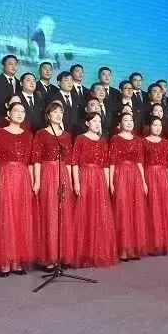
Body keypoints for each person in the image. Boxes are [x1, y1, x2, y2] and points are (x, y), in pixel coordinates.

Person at [0, 102, 36, 276]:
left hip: (23, 177)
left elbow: (30, 162)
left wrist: (32, 182)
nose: (20, 114)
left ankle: (17, 261)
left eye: (22, 111)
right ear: (8, 114)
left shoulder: (28, 135)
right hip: (6, 176)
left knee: (20, 218)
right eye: (16, 111)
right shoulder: (0, 133)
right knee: (6, 217)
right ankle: (4, 261)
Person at [32, 101, 76, 269]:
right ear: (48, 115)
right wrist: (37, 180)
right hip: (48, 173)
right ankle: (49, 256)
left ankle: (62, 255)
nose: (58, 114)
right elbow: (36, 159)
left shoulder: (66, 136)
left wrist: (70, 181)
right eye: (55, 112)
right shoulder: (41, 134)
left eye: (60, 112)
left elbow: (69, 161)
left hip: (62, 172)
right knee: (49, 212)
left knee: (63, 213)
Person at [71, 113, 118, 268]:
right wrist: (76, 182)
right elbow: (75, 162)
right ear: (87, 123)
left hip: (99, 178)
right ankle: (83, 253)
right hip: (85, 176)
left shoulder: (103, 141)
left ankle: (98, 252)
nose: (97, 124)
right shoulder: (80, 139)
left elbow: (105, 165)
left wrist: (107, 183)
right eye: (94, 121)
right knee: (85, 213)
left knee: (99, 214)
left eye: (99, 121)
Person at [109, 113, 148, 261]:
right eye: (126, 120)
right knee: (123, 210)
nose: (129, 122)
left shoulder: (138, 140)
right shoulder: (116, 139)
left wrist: (144, 181)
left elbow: (140, 162)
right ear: (120, 124)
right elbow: (112, 162)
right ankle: (123, 249)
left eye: (131, 120)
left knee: (135, 210)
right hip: (121, 174)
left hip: (135, 175)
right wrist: (111, 182)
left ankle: (133, 248)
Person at [142, 116, 168, 255]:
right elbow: (141, 163)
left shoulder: (164, 142)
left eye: (160, 125)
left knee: (165, 209)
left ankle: (165, 242)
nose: (158, 128)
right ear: (149, 127)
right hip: (150, 175)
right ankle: (154, 243)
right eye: (155, 125)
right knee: (152, 208)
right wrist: (143, 181)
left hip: (163, 177)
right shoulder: (143, 142)